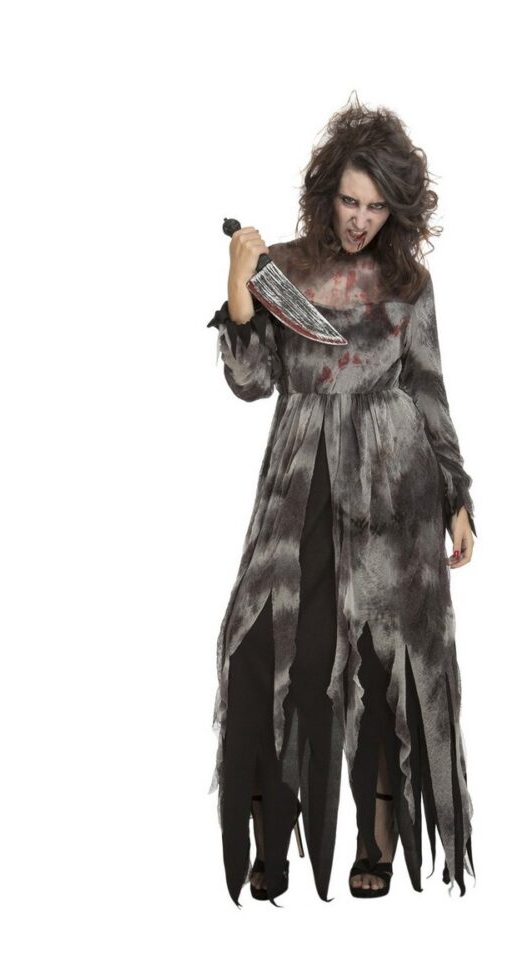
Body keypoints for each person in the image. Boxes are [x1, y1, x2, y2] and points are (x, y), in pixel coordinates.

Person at [207, 94, 477, 906]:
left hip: (392, 489)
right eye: (349, 201)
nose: (359, 220)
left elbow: (428, 391)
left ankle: (376, 840)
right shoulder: (283, 268)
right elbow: (251, 381)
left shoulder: (409, 284)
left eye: (376, 207)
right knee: (265, 655)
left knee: (378, 662)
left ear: (398, 210)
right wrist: (240, 283)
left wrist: (457, 496)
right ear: (327, 193)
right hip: (301, 484)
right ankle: (270, 843)